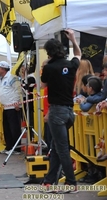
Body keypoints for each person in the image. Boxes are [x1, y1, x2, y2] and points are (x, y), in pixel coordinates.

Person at [40, 29, 80, 193]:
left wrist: (44, 65)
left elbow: (42, 86)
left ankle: (71, 182)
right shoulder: (71, 64)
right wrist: (73, 39)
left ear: (48, 52)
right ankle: (49, 181)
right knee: (57, 147)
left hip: (57, 111)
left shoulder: (49, 68)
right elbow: (78, 54)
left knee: (62, 149)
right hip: (70, 111)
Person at [0, 61, 21, 155]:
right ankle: (9, 146)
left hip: (12, 106)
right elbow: (0, 89)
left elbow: (18, 90)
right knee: (7, 128)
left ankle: (16, 148)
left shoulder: (12, 77)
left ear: (3, 68)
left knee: (14, 128)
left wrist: (17, 102)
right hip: (5, 107)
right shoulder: (0, 79)